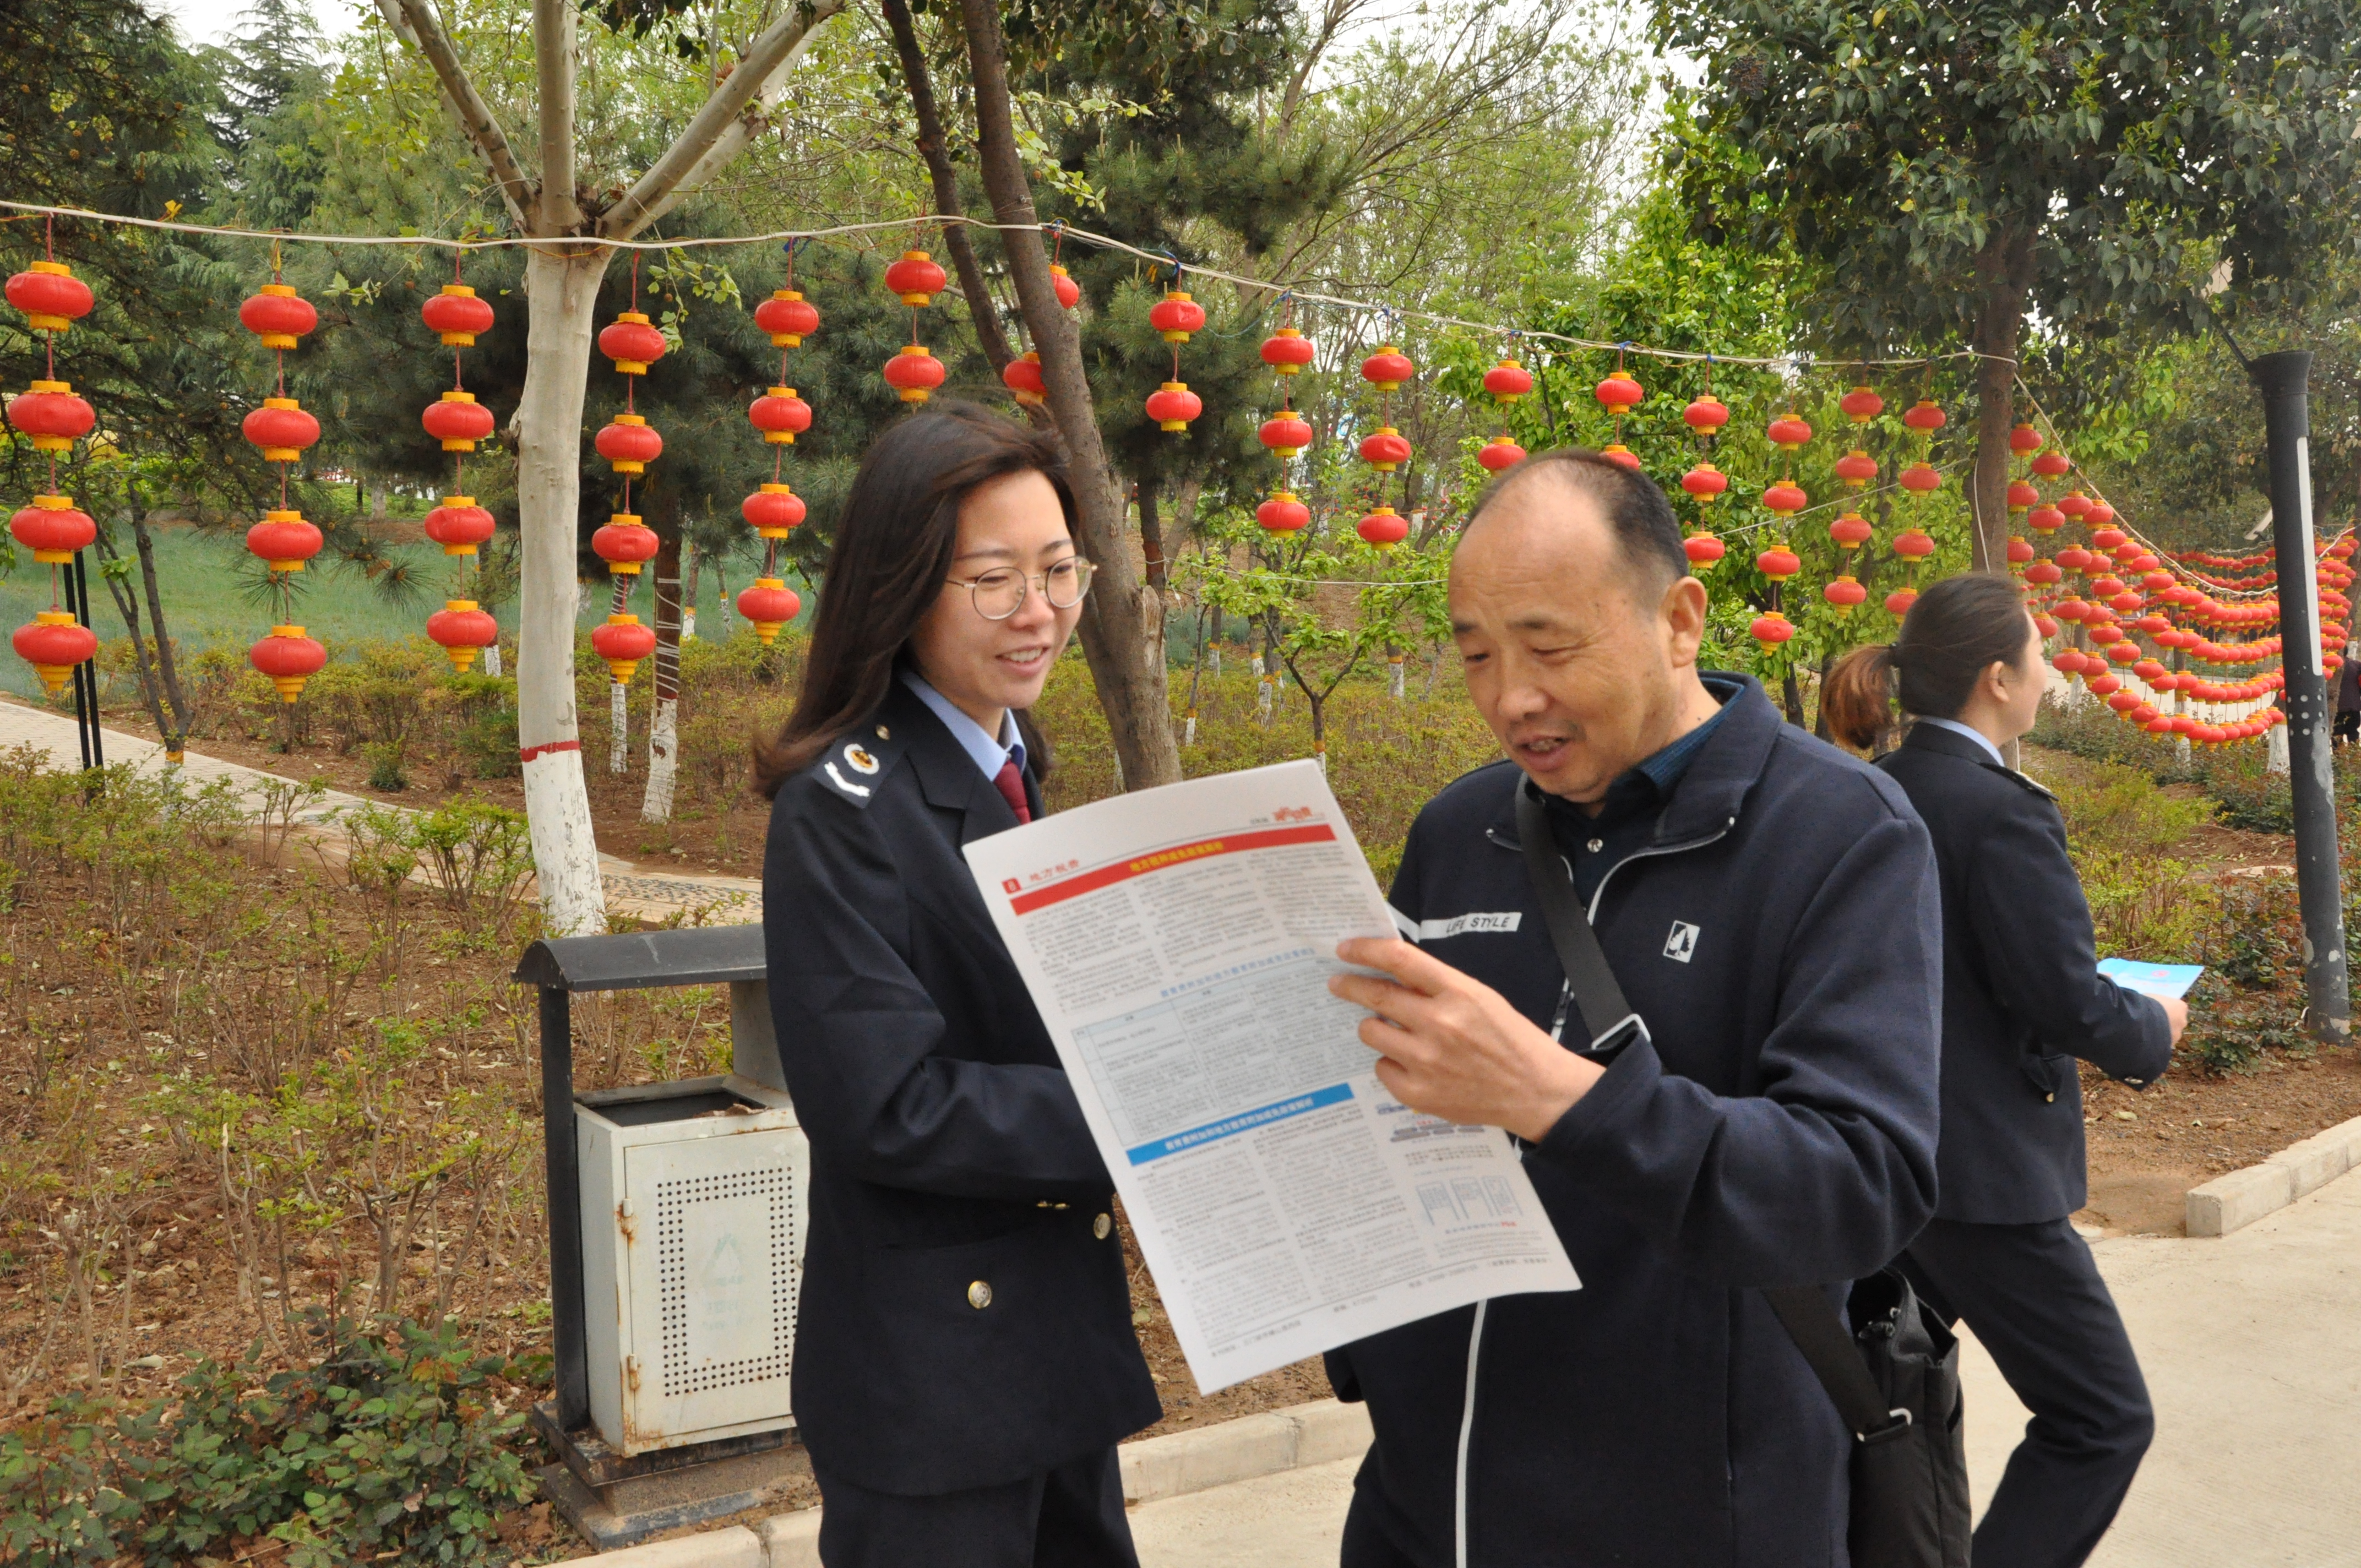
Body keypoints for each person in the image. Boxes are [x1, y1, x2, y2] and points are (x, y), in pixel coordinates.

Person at [1320, 448, 1945, 1567]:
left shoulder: (1840, 832)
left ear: (1679, 619)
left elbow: (1862, 1181)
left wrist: (1561, 1099)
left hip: (1691, 1510)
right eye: (1476, 653)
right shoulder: (1460, 828)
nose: (1510, 697)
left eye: (1549, 646)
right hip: (1424, 1501)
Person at [756, 404, 1158, 1567]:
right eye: (993, 581)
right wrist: (1141, 1105)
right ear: (901, 589)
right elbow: (885, 1103)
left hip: (1054, 1345)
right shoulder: (840, 808)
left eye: (1058, 570)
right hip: (932, 1378)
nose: (1038, 611)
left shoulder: (1012, 760)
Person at [1824, 573, 2186, 1568]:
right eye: (2040, 653)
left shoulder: (1866, 789)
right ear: (1996, 676)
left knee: (1879, 1398)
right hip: (1981, 1176)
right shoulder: (2001, 811)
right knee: (2101, 1417)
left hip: (1875, 1154)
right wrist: (2153, 1026)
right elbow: (2062, 997)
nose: (2050, 671)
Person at [2334, 638, 2359, 745]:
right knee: (2353, 734)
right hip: (2353, 707)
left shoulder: (2328, 667)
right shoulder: (2357, 665)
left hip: (2336, 708)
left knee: (2336, 735)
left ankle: (2339, 755)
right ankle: (2354, 755)